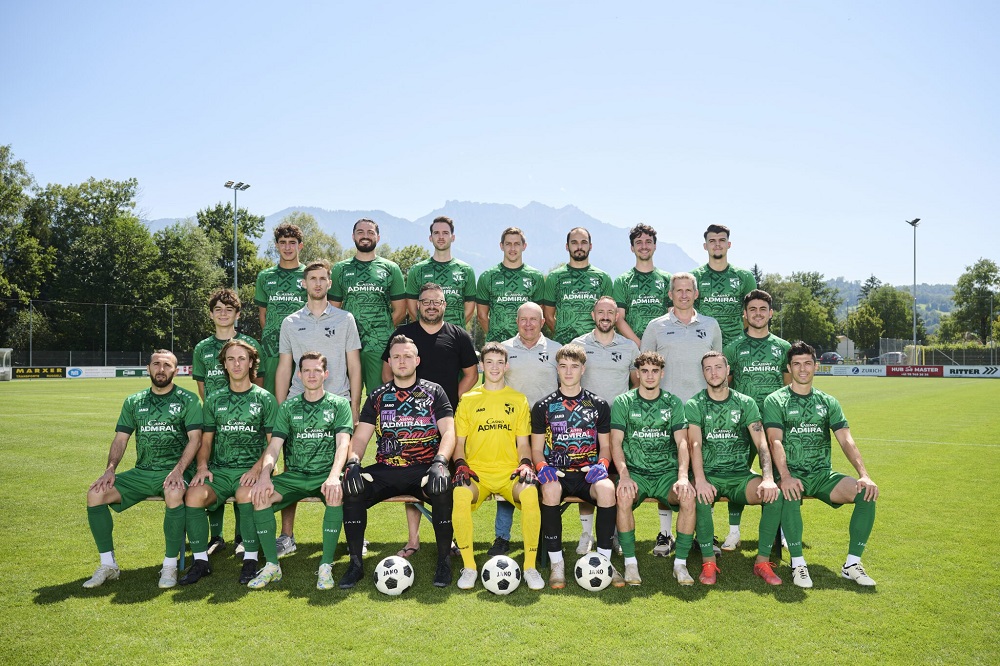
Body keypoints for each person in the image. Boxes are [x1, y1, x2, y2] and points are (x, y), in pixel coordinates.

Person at [339, 335, 456, 590]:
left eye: (407, 356)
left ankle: (444, 561)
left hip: (423, 468)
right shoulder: (378, 395)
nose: (402, 361)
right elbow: (360, 437)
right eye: (396, 357)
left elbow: (449, 432)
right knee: (352, 487)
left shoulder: (434, 391)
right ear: (389, 362)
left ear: (417, 360)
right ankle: (355, 563)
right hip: (387, 469)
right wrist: (353, 463)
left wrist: (440, 462)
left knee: (441, 487)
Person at [764, 341, 879, 588]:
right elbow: (775, 441)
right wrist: (785, 476)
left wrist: (864, 474)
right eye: (796, 364)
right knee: (789, 492)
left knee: (866, 493)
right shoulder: (776, 400)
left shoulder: (828, 401)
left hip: (822, 475)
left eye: (807, 363)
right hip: (792, 474)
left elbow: (846, 440)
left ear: (816, 366)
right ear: (789, 368)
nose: (802, 369)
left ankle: (852, 564)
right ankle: (798, 564)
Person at [83, 350, 201, 589]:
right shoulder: (134, 401)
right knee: (95, 494)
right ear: (148, 368)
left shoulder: (188, 399)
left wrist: (179, 470)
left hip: (176, 472)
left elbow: (195, 439)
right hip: (142, 472)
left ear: (176, 371)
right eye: (156, 364)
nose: (161, 369)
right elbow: (121, 439)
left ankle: (169, 565)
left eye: (167, 365)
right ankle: (108, 565)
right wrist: (110, 469)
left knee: (174, 492)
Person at [236, 352, 354, 590]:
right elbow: (274, 446)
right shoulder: (289, 407)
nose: (311, 375)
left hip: (324, 475)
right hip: (295, 476)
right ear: (299, 375)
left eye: (317, 370)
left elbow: (343, 444)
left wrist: (334, 476)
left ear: (325, 374)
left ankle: (326, 565)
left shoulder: (339, 404)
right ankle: (272, 565)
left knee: (336, 494)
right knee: (259, 496)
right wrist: (264, 476)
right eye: (306, 370)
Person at [271, 259, 362, 558]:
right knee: (292, 470)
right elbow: (284, 367)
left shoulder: (345, 318)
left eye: (323, 278)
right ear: (304, 283)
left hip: (337, 406)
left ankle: (353, 535)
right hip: (299, 407)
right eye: (313, 279)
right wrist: (281, 407)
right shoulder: (290, 322)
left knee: (344, 470)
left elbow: (354, 365)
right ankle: (287, 536)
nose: (318, 283)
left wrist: (355, 405)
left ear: (329, 283)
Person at [381, 282, 478, 557]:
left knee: (446, 477)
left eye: (437, 301)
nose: (431, 306)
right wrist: (398, 402)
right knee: (410, 472)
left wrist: (452, 400)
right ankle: (413, 539)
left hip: (446, 421)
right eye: (426, 301)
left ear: (445, 305)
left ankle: (450, 538)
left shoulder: (458, 335)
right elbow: (387, 372)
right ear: (418, 305)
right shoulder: (403, 335)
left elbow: (471, 374)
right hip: (409, 422)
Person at [175, 339, 277, 585]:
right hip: (219, 472)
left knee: (246, 495)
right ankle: (201, 561)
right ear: (224, 364)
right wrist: (202, 467)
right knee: (193, 496)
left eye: (242, 358)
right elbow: (206, 441)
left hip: (251, 470)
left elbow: (273, 444)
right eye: (231, 359)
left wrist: (256, 470)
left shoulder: (265, 398)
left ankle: (250, 559)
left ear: (251, 362)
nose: (236, 364)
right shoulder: (214, 399)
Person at [639, 271, 722, 556]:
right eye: (679, 290)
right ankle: (665, 534)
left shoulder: (711, 325)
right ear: (670, 294)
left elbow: (717, 367)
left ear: (696, 294)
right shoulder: (656, 326)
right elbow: (643, 368)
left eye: (689, 290)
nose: (684, 295)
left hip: (702, 411)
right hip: (665, 412)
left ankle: (703, 533)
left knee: (703, 470)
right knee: (669, 470)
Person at [685, 351, 784, 586]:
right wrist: (700, 480)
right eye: (708, 368)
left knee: (774, 495)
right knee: (699, 495)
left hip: (740, 476)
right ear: (703, 373)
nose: (714, 372)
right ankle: (708, 562)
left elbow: (761, 442)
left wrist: (768, 477)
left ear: (728, 370)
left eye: (718, 367)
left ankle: (762, 562)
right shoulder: (694, 404)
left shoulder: (745, 403)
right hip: (710, 475)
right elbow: (694, 444)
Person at [451, 342, 544, 591]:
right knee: (460, 495)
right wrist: (460, 464)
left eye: (499, 362)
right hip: (477, 473)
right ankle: (469, 567)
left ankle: (530, 567)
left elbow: (523, 444)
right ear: (481, 365)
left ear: (507, 366)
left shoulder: (518, 399)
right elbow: (458, 444)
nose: (494, 367)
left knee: (530, 494)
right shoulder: (468, 399)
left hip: (508, 472)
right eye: (489, 362)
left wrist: (525, 463)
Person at [531, 344, 618, 589]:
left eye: (574, 366)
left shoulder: (598, 405)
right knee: (549, 490)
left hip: (587, 475)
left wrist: (603, 464)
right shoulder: (543, 406)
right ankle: (557, 564)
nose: (568, 372)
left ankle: (605, 562)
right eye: (563, 366)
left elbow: (606, 446)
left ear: (583, 369)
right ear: (557, 369)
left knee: (607, 489)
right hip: (557, 474)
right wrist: (542, 466)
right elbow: (536, 449)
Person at [610, 352, 695, 586]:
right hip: (636, 473)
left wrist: (682, 477)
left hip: (666, 474)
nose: (649, 376)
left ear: (662, 374)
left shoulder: (673, 402)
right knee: (623, 496)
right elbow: (615, 442)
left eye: (654, 371)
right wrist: (624, 476)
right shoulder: (623, 402)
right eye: (644, 371)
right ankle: (630, 563)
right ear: (637, 373)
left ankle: (680, 564)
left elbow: (682, 442)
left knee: (687, 496)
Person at [190, 287, 263, 556]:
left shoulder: (249, 344)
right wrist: (217, 413)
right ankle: (216, 536)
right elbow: (202, 387)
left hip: (245, 421)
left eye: (229, 309)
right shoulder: (202, 348)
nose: (223, 314)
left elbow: (259, 382)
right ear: (211, 314)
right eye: (218, 309)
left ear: (237, 314)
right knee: (214, 471)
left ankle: (242, 536)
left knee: (243, 473)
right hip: (215, 420)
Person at [720, 288, 790, 551]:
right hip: (741, 424)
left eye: (763, 309)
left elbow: (788, 387)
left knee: (780, 474)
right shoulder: (733, 347)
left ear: (771, 313)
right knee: (737, 474)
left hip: (773, 424)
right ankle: (734, 531)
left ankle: (780, 529)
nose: (758, 314)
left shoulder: (783, 348)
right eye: (752, 310)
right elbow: (725, 387)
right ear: (745, 314)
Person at [570, 295, 639, 553]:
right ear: (593, 315)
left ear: (617, 317)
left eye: (611, 312)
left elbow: (636, 385)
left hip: (618, 424)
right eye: (601, 312)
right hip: (585, 425)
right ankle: (587, 534)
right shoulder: (578, 345)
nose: (606, 317)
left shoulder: (629, 347)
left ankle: (616, 533)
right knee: (587, 476)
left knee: (615, 477)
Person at [494, 301, 561, 556]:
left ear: (543, 322)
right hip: (512, 429)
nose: (528, 324)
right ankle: (502, 537)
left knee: (545, 482)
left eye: (534, 319)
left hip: (548, 430)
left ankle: (543, 536)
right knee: (509, 481)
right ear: (517, 322)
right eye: (523, 319)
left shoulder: (556, 350)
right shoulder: (504, 350)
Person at [329, 218, 406, 397]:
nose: (365, 236)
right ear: (353, 236)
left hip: (379, 345)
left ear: (378, 237)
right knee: (344, 396)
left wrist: (379, 330)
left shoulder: (391, 268)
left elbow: (401, 310)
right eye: (360, 232)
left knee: (380, 396)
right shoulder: (340, 269)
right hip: (348, 344)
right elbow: (333, 310)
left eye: (370, 232)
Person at [255, 222, 306, 395]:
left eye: (292, 243)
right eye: (283, 242)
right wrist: (274, 338)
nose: (287, 247)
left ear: (300, 245)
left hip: (302, 347)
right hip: (272, 348)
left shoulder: (309, 275)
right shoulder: (265, 277)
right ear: (276, 245)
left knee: (304, 395)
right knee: (272, 396)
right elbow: (263, 316)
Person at [542, 227, 613, 344]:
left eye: (584, 242)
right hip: (564, 346)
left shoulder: (603, 278)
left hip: (596, 346)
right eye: (574, 242)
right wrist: (564, 337)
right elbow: (548, 316)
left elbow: (609, 315)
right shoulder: (554, 277)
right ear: (567, 246)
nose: (579, 247)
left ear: (590, 246)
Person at [476, 226, 545, 343]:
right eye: (508, 244)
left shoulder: (536, 277)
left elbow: (538, 315)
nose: (512, 248)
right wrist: (496, 337)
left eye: (517, 244)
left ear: (524, 246)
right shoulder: (487, 276)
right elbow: (482, 316)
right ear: (501, 246)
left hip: (527, 344)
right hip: (497, 345)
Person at [692, 224, 757, 346]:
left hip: (736, 344)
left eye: (722, 240)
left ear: (729, 244)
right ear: (705, 246)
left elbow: (753, 312)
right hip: (703, 343)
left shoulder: (744, 277)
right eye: (712, 241)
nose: (717, 244)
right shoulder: (694, 277)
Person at [405, 216, 476, 327]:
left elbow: (470, 308)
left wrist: (453, 330)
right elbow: (412, 308)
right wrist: (426, 328)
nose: (441, 237)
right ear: (430, 238)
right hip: (424, 333)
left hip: (455, 335)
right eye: (436, 233)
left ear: (453, 237)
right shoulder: (417, 270)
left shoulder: (466, 270)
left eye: (445, 233)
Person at [612, 224, 672, 346]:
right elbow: (619, 318)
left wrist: (659, 344)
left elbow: (672, 316)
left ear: (655, 246)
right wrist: (639, 345)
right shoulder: (622, 281)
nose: (644, 246)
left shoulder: (668, 279)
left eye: (648, 242)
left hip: (662, 347)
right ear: (632, 248)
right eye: (639, 242)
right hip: (632, 348)